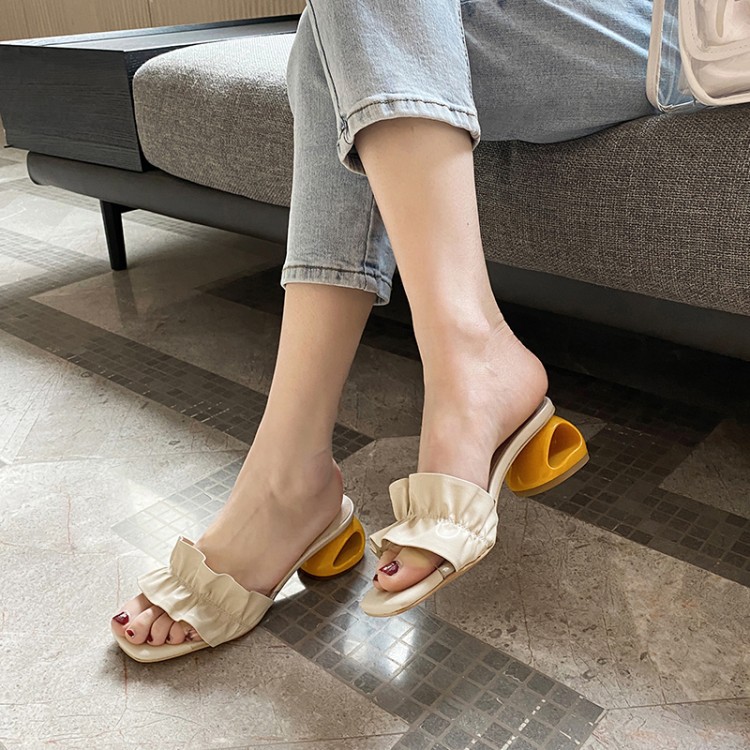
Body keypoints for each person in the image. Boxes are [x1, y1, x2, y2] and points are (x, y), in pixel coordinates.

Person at [110, 0, 662, 661]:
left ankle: (295, 475)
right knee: (341, 34)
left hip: (688, 30)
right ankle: (336, 443)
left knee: (342, 41)